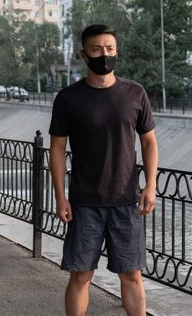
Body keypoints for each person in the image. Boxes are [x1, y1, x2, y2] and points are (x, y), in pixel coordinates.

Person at [49, 24, 158, 316]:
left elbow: (149, 142)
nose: (104, 55)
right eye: (96, 49)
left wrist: (150, 186)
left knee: (132, 275)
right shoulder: (68, 98)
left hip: (126, 202)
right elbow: (57, 149)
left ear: (116, 51)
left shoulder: (135, 93)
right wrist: (61, 197)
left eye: (109, 48)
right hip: (85, 202)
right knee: (81, 276)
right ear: (84, 55)